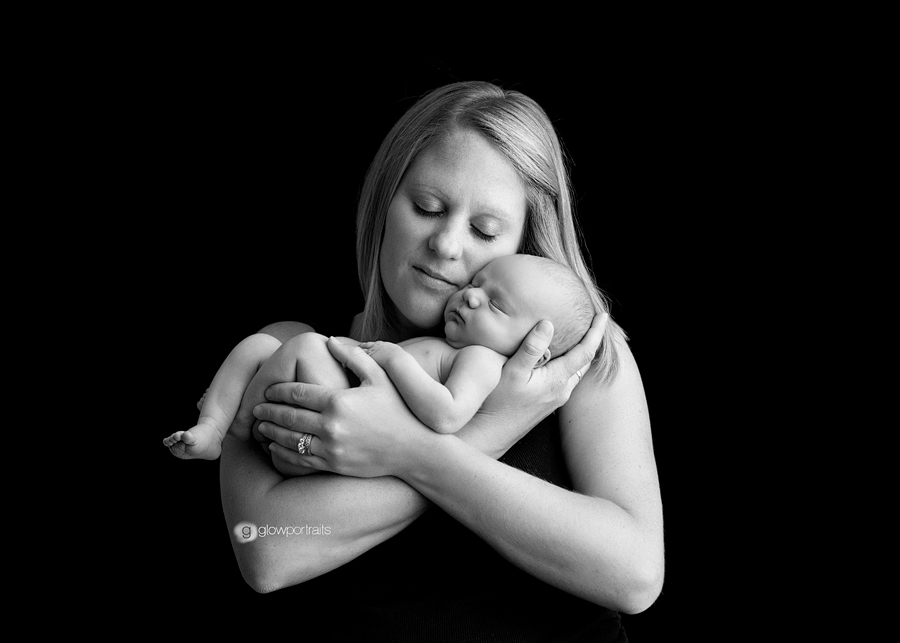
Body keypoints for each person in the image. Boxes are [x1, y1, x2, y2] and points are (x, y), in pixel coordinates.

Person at [215, 81, 664, 642]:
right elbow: (266, 550)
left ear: (524, 242)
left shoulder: (576, 360)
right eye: (428, 208)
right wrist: (488, 431)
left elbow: (634, 577)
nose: (447, 245)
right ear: (384, 202)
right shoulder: (299, 351)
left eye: (484, 230)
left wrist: (413, 451)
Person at [163, 253, 594, 459]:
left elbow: (448, 414)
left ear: (534, 347)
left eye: (496, 304)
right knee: (261, 345)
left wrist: (393, 359)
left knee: (303, 346)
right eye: (476, 282)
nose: (471, 296)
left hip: (346, 430)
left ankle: (232, 420)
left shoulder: (482, 361)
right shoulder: (450, 345)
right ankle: (214, 427)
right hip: (330, 406)